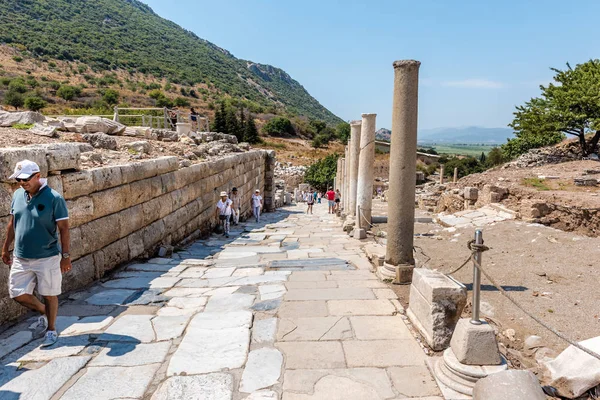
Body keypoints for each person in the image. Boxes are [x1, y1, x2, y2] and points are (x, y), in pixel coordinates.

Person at [2, 160, 71, 348]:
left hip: (47, 256)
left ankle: (51, 329)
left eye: (25, 179)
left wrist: (65, 256)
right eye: (18, 179)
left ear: (37, 176)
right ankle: (44, 311)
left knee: (49, 294)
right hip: (21, 256)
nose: (22, 183)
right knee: (17, 293)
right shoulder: (17, 195)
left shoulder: (54, 198)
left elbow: (64, 228)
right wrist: (5, 247)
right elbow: (12, 223)